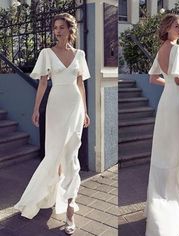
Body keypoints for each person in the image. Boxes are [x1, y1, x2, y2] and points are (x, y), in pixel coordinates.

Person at [14, 13, 90, 235]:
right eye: (55, 28)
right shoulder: (46, 53)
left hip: (75, 107)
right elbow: (43, 83)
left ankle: (69, 211)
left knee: (71, 156)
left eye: (61, 27)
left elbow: (81, 85)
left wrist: (85, 112)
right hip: (56, 107)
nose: (57, 31)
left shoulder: (80, 54)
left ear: (70, 29)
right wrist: (36, 109)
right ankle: (42, 196)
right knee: (54, 154)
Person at [144, 14, 179, 236]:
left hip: (167, 102)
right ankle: (174, 210)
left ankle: (160, 206)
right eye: (177, 26)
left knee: (166, 151)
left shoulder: (162, 49)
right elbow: (177, 79)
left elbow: (153, 78)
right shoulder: (177, 49)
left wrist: (172, 87)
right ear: (167, 28)